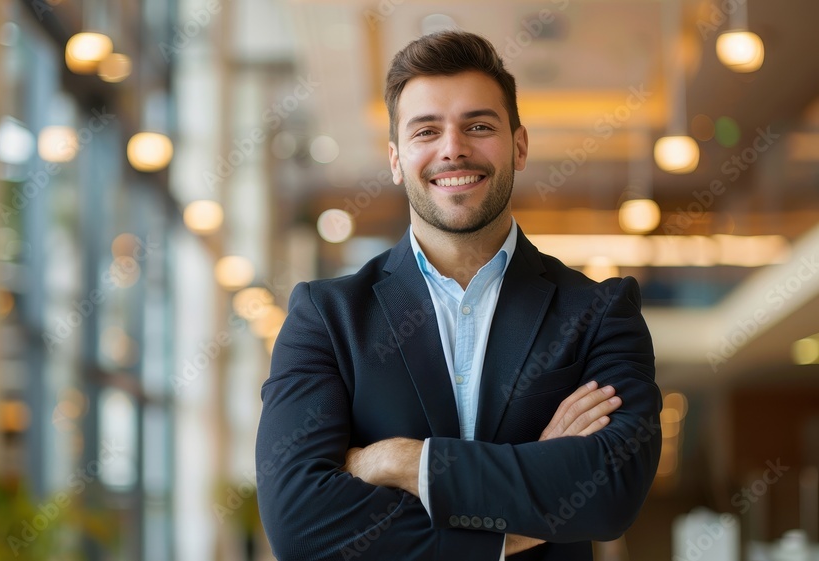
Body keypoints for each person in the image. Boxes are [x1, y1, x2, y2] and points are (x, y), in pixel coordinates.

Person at [255, 29, 661, 561]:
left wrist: (404, 462)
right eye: (427, 131)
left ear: (519, 145)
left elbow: (609, 492)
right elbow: (299, 525)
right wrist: (522, 509)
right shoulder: (326, 319)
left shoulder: (599, 311)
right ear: (397, 158)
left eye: (479, 125)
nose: (453, 149)